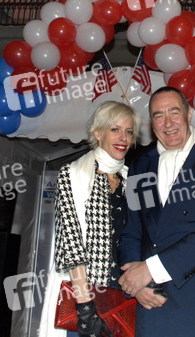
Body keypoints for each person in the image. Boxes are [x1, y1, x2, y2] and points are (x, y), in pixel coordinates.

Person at [118, 86, 195, 337]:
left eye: (174, 113)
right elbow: (132, 231)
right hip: (153, 302)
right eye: (159, 116)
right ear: (151, 123)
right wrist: (135, 283)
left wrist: (149, 270)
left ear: (189, 115)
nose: (168, 123)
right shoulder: (141, 166)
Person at [39, 100, 141, 337]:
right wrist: (85, 307)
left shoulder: (131, 180)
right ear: (98, 133)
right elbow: (70, 242)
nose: (123, 138)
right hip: (85, 297)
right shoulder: (73, 174)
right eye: (115, 129)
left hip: (125, 295)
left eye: (128, 131)